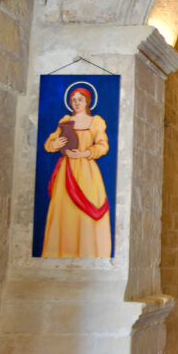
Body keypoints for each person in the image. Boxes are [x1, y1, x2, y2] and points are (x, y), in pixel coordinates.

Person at [41, 86, 112, 257]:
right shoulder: (66, 121)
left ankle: (88, 252)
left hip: (87, 171)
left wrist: (84, 153)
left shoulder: (96, 122)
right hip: (66, 170)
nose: (76, 102)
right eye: (73, 100)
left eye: (80, 99)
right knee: (64, 212)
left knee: (86, 214)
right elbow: (49, 143)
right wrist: (55, 144)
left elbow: (103, 146)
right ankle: (61, 253)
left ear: (87, 101)